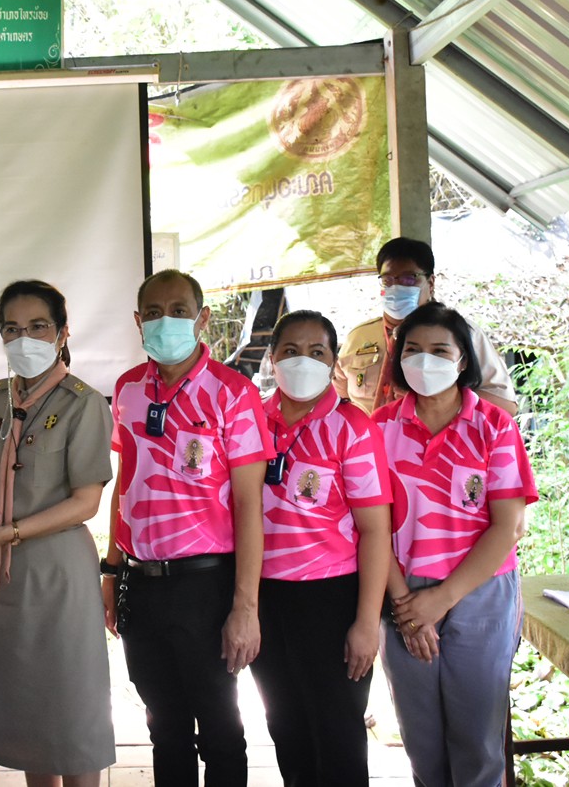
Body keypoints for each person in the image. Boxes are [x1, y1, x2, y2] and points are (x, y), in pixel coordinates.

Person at [100, 269, 273, 787]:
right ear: (138, 321)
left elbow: (249, 504)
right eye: (153, 313)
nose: (165, 321)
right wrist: (111, 571)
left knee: (220, 728)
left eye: (178, 311)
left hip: (207, 585)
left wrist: (245, 607)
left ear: (202, 318)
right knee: (164, 726)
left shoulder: (233, 392)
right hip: (141, 583)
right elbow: (126, 482)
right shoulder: (128, 389)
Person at [0, 280, 115, 786]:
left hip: (56, 570)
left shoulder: (84, 403)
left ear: (63, 333)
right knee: (26, 713)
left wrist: (6, 534)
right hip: (0, 575)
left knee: (72, 709)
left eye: (38, 326)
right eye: (12, 329)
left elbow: (86, 502)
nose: (24, 339)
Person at [375, 302, 537, 787]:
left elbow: (507, 526)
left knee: (478, 742)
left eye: (440, 350)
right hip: (401, 592)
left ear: (463, 359)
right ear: (398, 358)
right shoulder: (377, 428)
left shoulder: (495, 426)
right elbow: (371, 526)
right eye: (413, 349)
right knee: (421, 739)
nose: (425, 360)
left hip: (480, 592)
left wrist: (441, 600)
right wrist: (406, 606)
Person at [248, 310, 391, 787]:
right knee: (285, 727)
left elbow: (376, 531)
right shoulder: (251, 420)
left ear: (334, 363)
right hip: (264, 597)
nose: (302, 361)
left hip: (331, 599)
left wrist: (366, 624)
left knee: (337, 734)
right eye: (290, 351)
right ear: (272, 358)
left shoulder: (352, 427)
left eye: (316, 352)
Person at [333, 237, 517, 415]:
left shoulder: (462, 333)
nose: (396, 287)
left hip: (438, 435)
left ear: (431, 282)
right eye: (388, 280)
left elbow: (506, 406)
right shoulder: (359, 337)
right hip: (368, 435)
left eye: (409, 279)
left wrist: (443, 396)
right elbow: (339, 401)